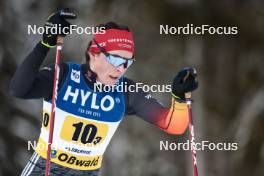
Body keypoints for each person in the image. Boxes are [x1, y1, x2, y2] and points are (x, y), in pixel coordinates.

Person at [9, 9, 198, 176]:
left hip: (88, 172)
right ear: (94, 53)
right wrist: (44, 44)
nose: (121, 69)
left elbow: (173, 125)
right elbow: (19, 89)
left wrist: (179, 99)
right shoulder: (64, 74)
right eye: (115, 60)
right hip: (48, 168)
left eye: (128, 62)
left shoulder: (126, 90)